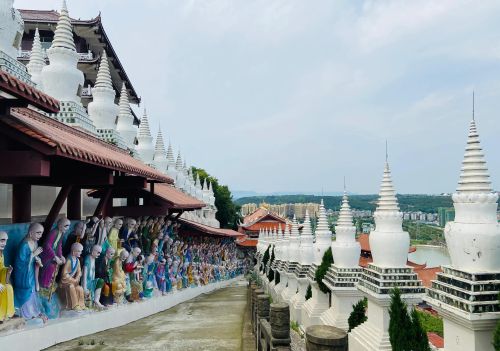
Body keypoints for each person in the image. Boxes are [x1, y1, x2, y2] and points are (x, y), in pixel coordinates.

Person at [13, 223, 46, 321]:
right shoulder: (24, 245)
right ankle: (26, 313)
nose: (40, 235)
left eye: (41, 233)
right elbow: (20, 263)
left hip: (31, 271)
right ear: (31, 233)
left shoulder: (35, 243)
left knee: (33, 290)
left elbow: (34, 257)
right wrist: (33, 254)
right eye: (38, 233)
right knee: (27, 289)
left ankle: (33, 311)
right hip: (23, 274)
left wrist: (38, 260)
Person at [39, 218, 69, 290]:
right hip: (46, 255)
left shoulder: (61, 233)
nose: (67, 228)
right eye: (66, 226)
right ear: (59, 225)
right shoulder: (54, 232)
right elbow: (47, 245)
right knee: (51, 267)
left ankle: (50, 281)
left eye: (68, 226)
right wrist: (55, 256)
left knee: (55, 267)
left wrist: (60, 255)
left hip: (53, 254)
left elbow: (59, 245)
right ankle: (44, 284)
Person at [59, 242, 85, 311]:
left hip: (73, 281)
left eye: (81, 251)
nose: (80, 253)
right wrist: (73, 280)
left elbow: (79, 272)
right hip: (65, 282)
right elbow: (64, 274)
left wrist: (77, 278)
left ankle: (81, 304)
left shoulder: (77, 260)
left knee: (80, 288)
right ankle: (74, 305)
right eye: (79, 251)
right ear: (73, 251)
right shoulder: (69, 260)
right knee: (71, 286)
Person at [82, 245, 104, 309]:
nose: (99, 254)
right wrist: (84, 287)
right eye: (98, 252)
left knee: (101, 281)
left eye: (100, 253)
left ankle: (96, 300)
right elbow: (84, 274)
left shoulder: (93, 259)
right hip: (86, 282)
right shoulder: (87, 259)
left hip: (91, 281)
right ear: (93, 251)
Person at [0, 231, 14, 322]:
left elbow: (1, 269)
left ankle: (6, 314)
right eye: (2, 240)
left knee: (8, 287)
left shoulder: (1, 255)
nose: (4, 243)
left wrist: (7, 271)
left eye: (6, 241)